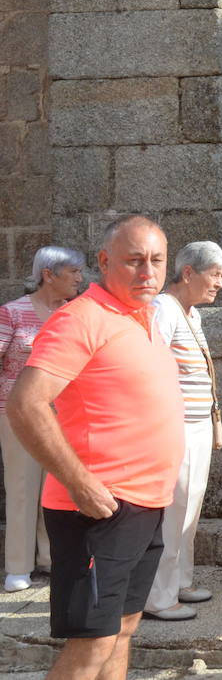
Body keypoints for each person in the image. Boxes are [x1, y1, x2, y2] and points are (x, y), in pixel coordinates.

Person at [7, 215, 183, 680]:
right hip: (99, 508)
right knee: (91, 644)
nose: (147, 272)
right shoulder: (81, 318)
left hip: (145, 504)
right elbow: (26, 403)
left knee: (123, 628)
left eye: (156, 260)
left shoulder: (142, 316)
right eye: (133, 261)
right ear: (105, 262)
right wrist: (79, 482)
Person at [144, 241, 222, 622]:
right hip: (174, 427)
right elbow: (151, 367)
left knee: (189, 508)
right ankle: (158, 597)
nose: (219, 284)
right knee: (173, 510)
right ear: (189, 272)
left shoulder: (189, 312)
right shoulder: (164, 308)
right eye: (215, 275)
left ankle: (180, 582)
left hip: (195, 426)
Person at [0, 246, 85, 592]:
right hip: (18, 411)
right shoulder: (12, 313)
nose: (81, 278)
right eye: (74, 272)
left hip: (67, 413)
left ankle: (54, 559)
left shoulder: (77, 314)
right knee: (22, 486)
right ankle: (18, 566)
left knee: (61, 486)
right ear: (48, 274)